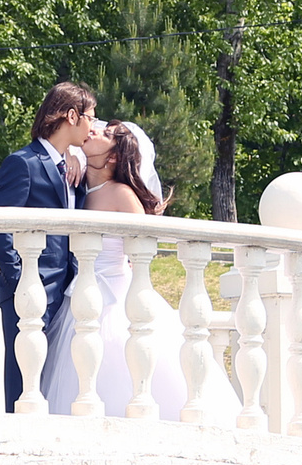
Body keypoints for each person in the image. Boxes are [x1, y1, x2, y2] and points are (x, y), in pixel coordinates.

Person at [76, 120, 237, 420]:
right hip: (81, 294)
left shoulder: (120, 194)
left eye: (107, 134)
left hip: (113, 297)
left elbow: (143, 250)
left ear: (112, 157)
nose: (95, 129)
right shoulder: (79, 185)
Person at [0, 81, 91, 410]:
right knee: (22, 383)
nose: (93, 125)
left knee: (50, 382)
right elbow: (0, 231)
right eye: (90, 116)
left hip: (65, 294)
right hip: (28, 291)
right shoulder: (23, 163)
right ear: (72, 116)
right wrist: (22, 281)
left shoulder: (71, 169)